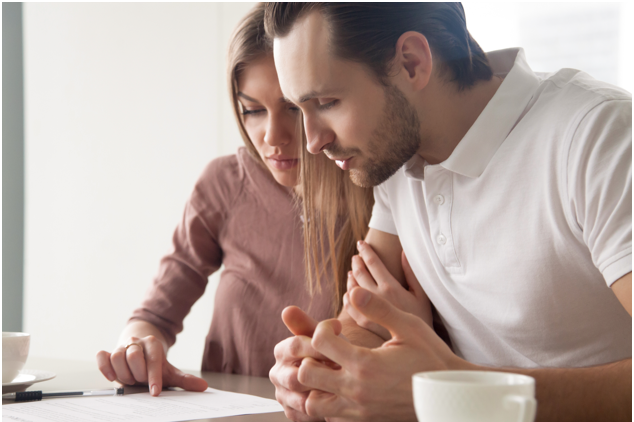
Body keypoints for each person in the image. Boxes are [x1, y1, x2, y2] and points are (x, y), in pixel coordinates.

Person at [264, 2, 632, 421]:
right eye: (300, 109)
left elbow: (441, 385)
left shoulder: (598, 137)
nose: (311, 141)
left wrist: (459, 390)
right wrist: (325, 367)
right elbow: (365, 322)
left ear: (412, 62)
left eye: (327, 101)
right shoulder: (395, 158)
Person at [95, 3, 372, 397]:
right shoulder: (225, 183)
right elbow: (154, 315)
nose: (272, 137)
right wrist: (138, 346)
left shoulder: (378, 191)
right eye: (252, 110)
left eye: (292, 108)